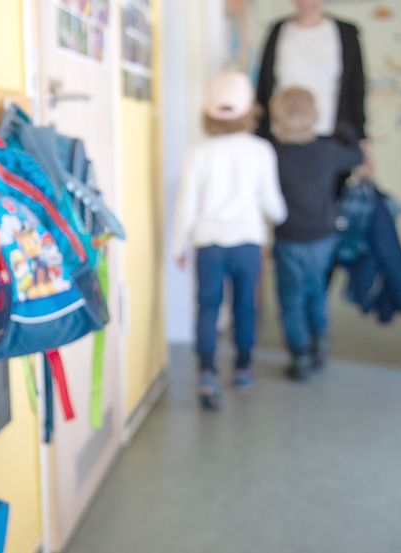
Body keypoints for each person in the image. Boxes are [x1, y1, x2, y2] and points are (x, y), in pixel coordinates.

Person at [172, 71, 288, 410]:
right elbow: (273, 205)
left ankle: (207, 372)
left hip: (208, 243)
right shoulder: (261, 151)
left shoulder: (197, 153)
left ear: (207, 112)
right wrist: (281, 217)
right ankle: (242, 369)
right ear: (250, 111)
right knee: (245, 309)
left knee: (207, 308)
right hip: (249, 243)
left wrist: (179, 246)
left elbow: (186, 205)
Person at [270, 87, 362, 380]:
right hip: (323, 236)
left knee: (290, 296)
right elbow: (356, 157)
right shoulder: (328, 151)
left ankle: (300, 355)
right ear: (315, 115)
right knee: (317, 293)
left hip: (288, 238)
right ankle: (320, 343)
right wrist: (346, 132)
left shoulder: (275, 155)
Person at [255, 0, 368, 151]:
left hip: (332, 137)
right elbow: (263, 86)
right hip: (282, 137)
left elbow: (357, 88)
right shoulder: (278, 30)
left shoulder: (346, 32)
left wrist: (361, 138)